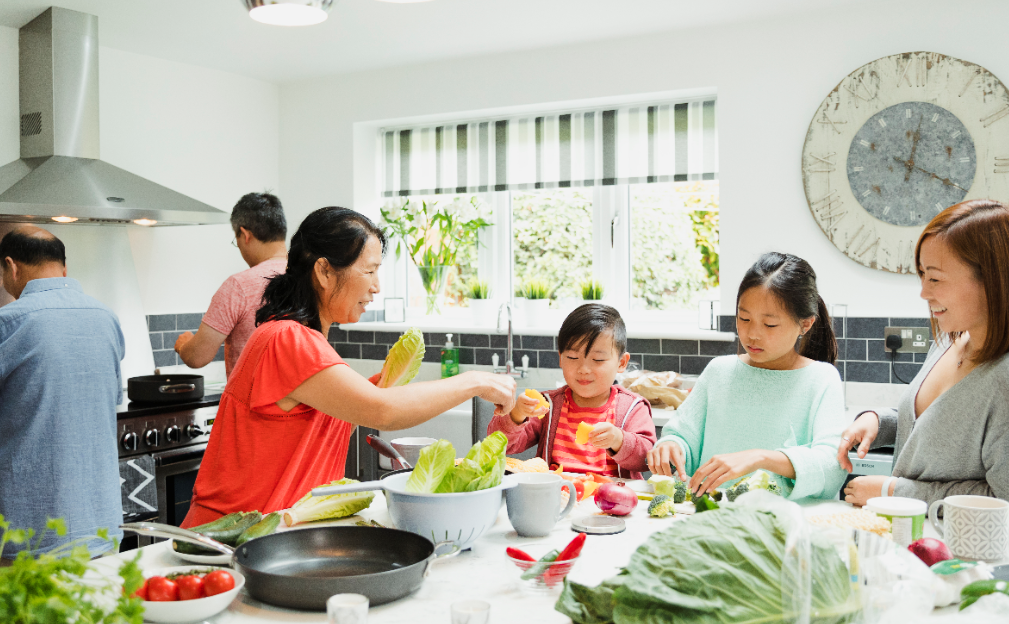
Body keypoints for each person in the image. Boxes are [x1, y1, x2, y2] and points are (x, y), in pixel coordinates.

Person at [182, 206, 517, 523]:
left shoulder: (298, 339)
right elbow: (381, 411)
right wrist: (475, 382)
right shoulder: (287, 339)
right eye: (369, 271)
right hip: (230, 543)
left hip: (270, 535)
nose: (376, 286)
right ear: (324, 271)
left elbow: (355, 412)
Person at [837, 200, 1009, 525]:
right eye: (921, 275)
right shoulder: (954, 337)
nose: (923, 293)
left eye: (935, 279)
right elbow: (936, 425)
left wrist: (893, 492)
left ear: (993, 280)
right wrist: (880, 422)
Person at [0, 226, 125, 557]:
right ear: (64, 269)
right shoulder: (106, 318)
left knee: (22, 610)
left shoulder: (3, 324)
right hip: (102, 525)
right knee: (96, 608)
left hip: (33, 535)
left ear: (11, 266)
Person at [647, 252, 848, 500]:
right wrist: (671, 447)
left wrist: (760, 458)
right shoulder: (719, 371)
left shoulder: (821, 379)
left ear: (805, 324)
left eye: (770, 325)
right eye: (744, 318)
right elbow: (681, 437)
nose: (752, 334)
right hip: (711, 519)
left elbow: (832, 466)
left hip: (784, 528)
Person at [489, 304, 653, 477]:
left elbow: (646, 460)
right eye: (573, 357)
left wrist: (619, 440)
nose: (584, 369)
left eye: (597, 359)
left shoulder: (633, 408)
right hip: (556, 498)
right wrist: (517, 414)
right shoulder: (548, 405)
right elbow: (501, 445)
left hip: (610, 501)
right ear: (560, 358)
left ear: (621, 363)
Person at [175, 192, 289, 379]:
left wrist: (184, 345)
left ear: (245, 235)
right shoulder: (308, 276)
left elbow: (198, 357)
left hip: (251, 405)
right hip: (303, 404)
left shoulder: (239, 286)